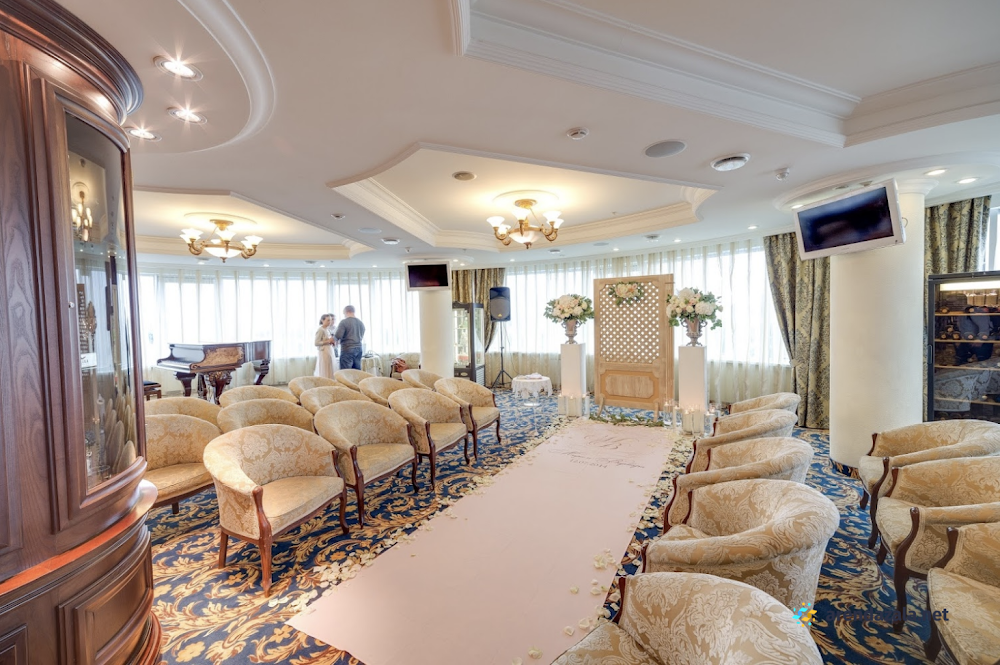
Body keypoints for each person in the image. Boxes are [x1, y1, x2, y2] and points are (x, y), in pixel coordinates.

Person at [334, 305, 365, 370]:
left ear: (346, 312)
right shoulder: (360, 323)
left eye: (344, 314)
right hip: (359, 348)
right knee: (356, 371)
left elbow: (338, 336)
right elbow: (361, 335)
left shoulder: (344, 322)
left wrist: (332, 340)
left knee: (346, 372)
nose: (344, 315)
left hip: (347, 348)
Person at [314, 313, 337, 378]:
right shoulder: (320, 330)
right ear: (322, 320)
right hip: (324, 351)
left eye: (330, 320)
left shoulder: (327, 329)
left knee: (330, 368)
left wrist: (332, 342)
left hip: (329, 350)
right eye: (328, 320)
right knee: (325, 368)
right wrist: (328, 341)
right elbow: (316, 343)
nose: (330, 322)